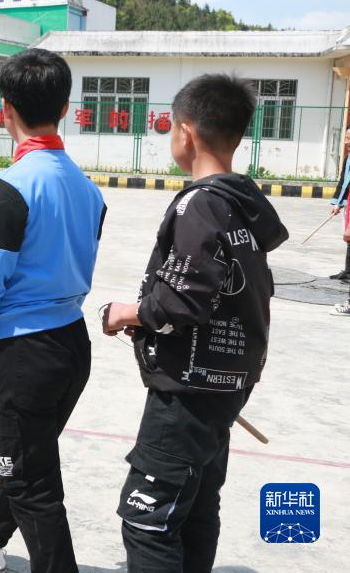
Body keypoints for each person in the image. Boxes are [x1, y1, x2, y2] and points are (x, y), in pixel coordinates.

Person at [102, 74, 289, 572]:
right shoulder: (241, 204)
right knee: (197, 506)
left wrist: (128, 313)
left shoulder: (199, 203)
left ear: (186, 133)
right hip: (226, 385)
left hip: (188, 393)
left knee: (148, 518)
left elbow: (184, 298)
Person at [0, 48, 106, 573]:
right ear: (64, 110)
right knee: (24, 452)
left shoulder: (10, 188)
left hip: (26, 355)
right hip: (72, 345)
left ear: (5, 110)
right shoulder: (88, 190)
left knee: (29, 478)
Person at [328, 127, 350, 284]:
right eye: (346, 138)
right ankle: (348, 271)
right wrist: (337, 202)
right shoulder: (348, 158)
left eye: (349, 138)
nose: (346, 142)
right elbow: (343, 182)